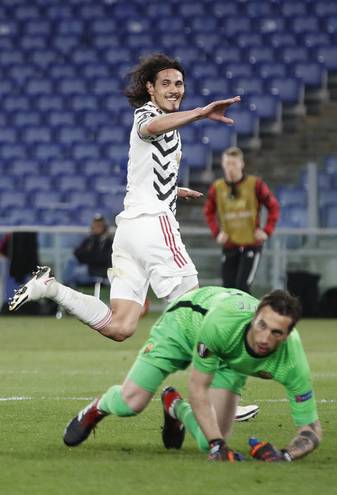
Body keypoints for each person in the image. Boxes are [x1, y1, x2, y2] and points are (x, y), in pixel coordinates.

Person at [9, 53, 241, 343]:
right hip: (153, 225)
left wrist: (174, 190)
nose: (174, 89)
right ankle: (213, 383)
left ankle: (51, 288)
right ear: (150, 89)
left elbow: (146, 169)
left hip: (129, 232)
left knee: (120, 326)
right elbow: (150, 128)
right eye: (166, 83)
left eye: (179, 83)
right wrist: (201, 112)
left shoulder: (166, 122)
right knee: (191, 304)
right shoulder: (149, 114)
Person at [63, 286, 321, 462]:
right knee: (132, 402)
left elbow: (311, 430)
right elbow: (198, 388)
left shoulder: (292, 361)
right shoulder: (223, 324)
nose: (265, 338)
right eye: (262, 325)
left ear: (288, 336)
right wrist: (218, 447)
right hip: (184, 325)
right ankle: (99, 407)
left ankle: (175, 407)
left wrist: (284, 455)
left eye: (276, 333)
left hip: (226, 357)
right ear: (254, 318)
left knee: (208, 437)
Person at [204, 147, 280, 293]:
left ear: (241, 164)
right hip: (230, 245)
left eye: (234, 163)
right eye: (228, 163)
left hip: (251, 244)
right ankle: (231, 316)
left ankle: (248, 315)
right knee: (228, 288)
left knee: (243, 286)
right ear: (223, 165)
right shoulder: (217, 188)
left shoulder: (255, 184)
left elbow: (273, 206)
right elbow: (208, 211)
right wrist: (217, 232)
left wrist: (267, 231)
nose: (230, 167)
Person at [64, 214, 113, 288]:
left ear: (104, 227)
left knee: (78, 272)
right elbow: (77, 252)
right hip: (88, 267)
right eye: (95, 225)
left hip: (98, 271)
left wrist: (88, 256)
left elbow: (103, 259)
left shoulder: (108, 241)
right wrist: (89, 256)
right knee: (71, 260)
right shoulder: (90, 239)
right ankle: (66, 284)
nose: (96, 227)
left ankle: (66, 286)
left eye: (99, 225)